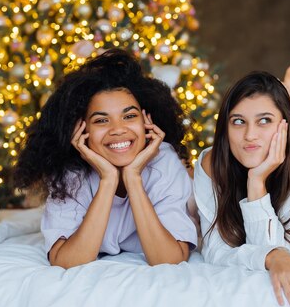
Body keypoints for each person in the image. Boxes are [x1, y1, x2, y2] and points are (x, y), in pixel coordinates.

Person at [15, 49, 198, 269]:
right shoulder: (70, 171)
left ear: (146, 121)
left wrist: (133, 177)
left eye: (129, 116)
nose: (118, 129)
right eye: (101, 120)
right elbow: (66, 261)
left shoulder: (163, 160)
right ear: (82, 129)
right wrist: (108, 179)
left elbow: (169, 259)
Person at [193, 62, 290, 307]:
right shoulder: (210, 164)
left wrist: (256, 184)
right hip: (284, 163)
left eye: (264, 120)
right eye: (238, 121)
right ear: (225, 126)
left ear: (282, 123)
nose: (249, 135)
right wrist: (271, 256)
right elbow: (216, 251)